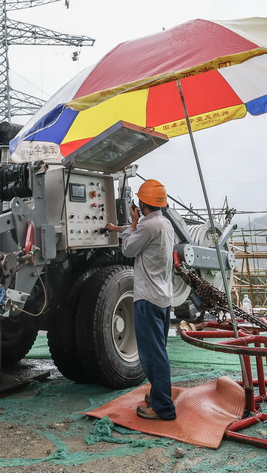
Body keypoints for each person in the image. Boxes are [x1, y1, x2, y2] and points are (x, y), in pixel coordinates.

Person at [105, 179, 177, 420]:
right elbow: (137, 235)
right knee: (159, 350)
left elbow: (128, 249)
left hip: (147, 297)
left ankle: (163, 407)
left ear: (142, 203)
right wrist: (120, 227)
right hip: (163, 297)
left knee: (152, 355)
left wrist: (131, 224)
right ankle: (158, 394)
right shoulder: (164, 224)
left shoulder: (147, 227)